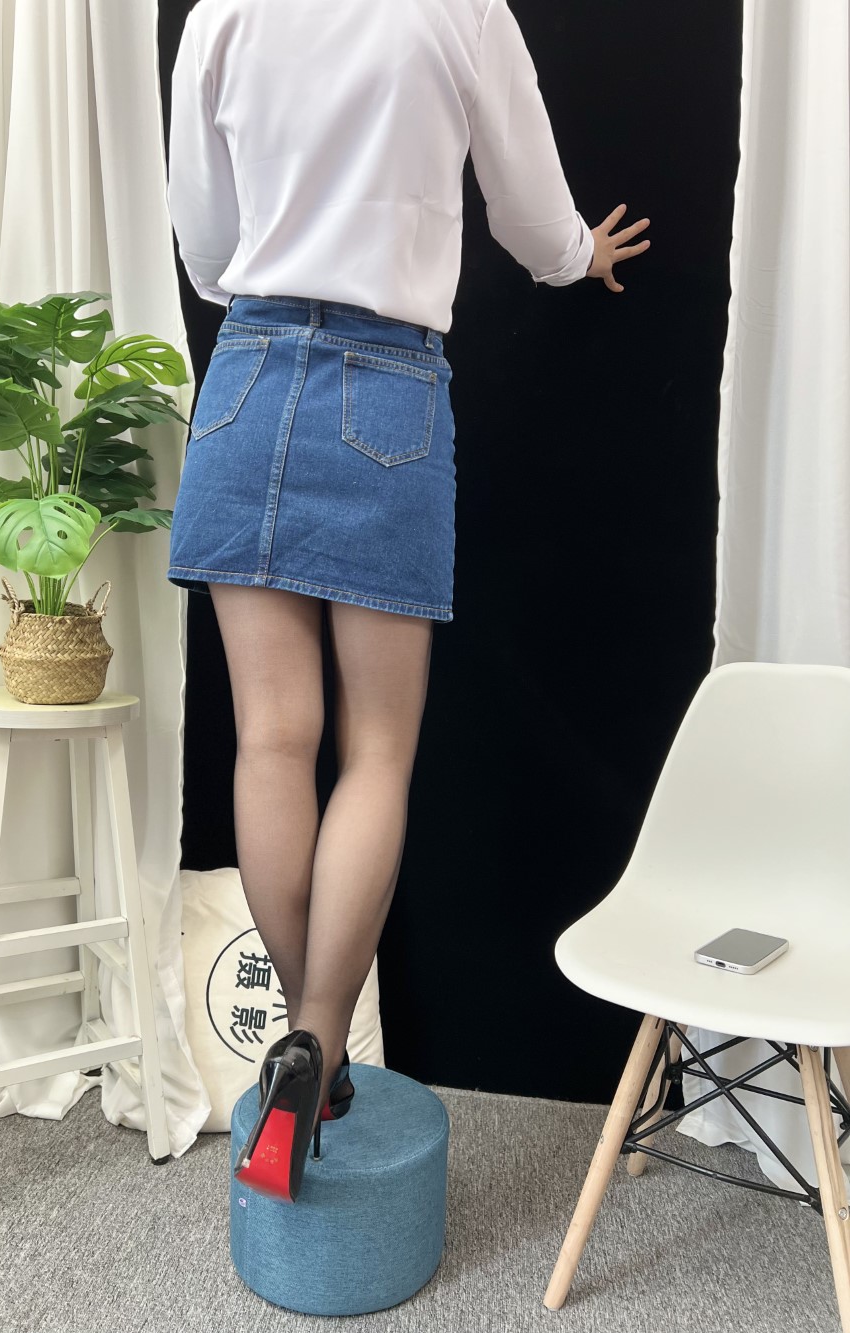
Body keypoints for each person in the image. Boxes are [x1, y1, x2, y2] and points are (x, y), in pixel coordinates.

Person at [166, 0, 650, 1204]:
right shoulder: (461, 8)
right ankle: (320, 1038)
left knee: (272, 738)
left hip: (245, 375)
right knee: (375, 752)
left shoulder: (222, 11)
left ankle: (301, 1050)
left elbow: (206, 245)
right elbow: (530, 213)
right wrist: (575, 257)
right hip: (383, 386)